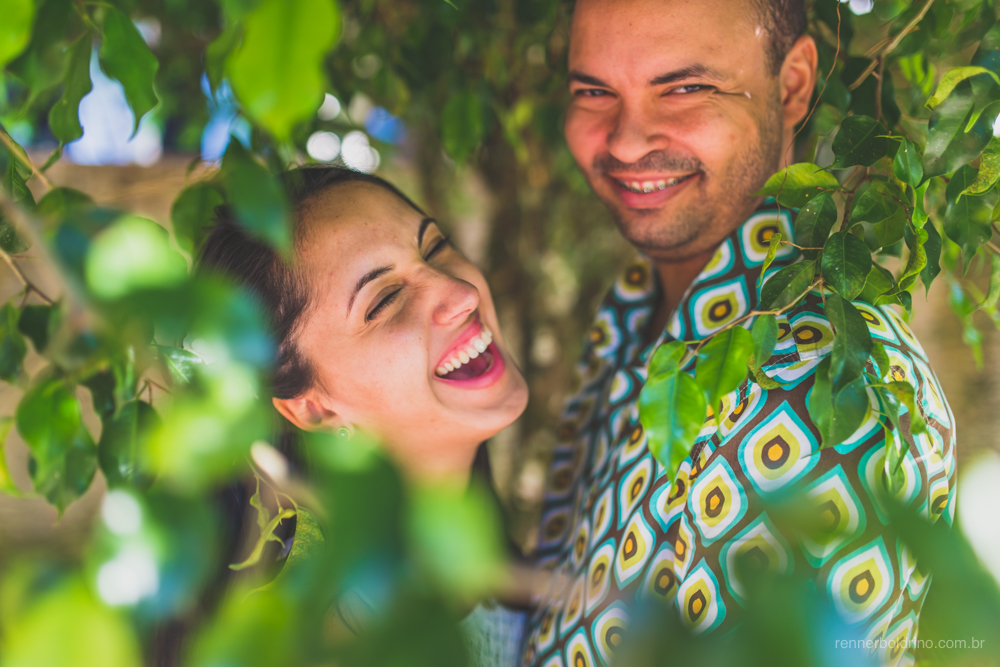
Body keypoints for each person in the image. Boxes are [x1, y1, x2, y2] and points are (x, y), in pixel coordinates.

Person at [522, 0, 956, 665]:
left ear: (791, 87)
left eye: (686, 87)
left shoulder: (825, 393)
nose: (627, 140)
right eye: (593, 91)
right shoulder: (631, 311)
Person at [198, 166, 531, 666]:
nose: (463, 294)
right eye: (385, 300)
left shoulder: (489, 558)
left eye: (435, 248)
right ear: (312, 409)